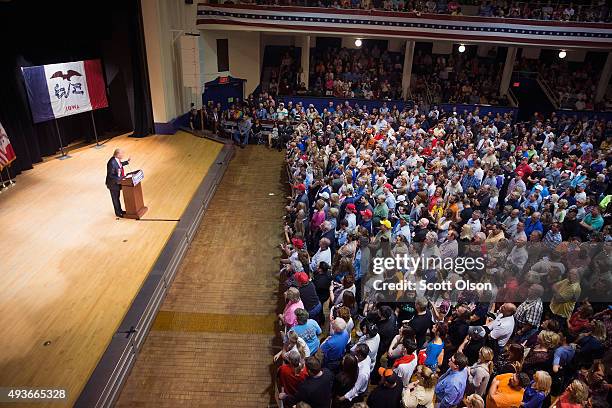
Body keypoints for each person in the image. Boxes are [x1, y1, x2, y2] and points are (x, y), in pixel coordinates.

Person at [105, 148, 130, 217]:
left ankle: (120, 210)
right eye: (122, 154)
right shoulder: (112, 163)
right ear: (118, 154)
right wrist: (121, 178)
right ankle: (118, 213)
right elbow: (111, 175)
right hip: (112, 184)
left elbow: (119, 165)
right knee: (115, 199)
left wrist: (126, 162)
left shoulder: (116, 160)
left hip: (117, 183)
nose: (123, 155)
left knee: (117, 198)